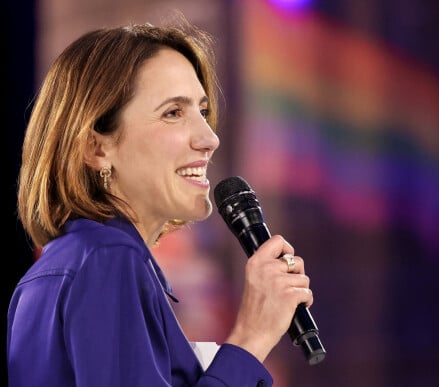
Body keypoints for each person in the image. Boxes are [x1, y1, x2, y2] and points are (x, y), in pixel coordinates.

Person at [6, 16, 314, 387]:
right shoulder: (108, 259)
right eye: (173, 113)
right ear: (96, 148)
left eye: (201, 111)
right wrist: (252, 336)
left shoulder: (68, 262)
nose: (210, 137)